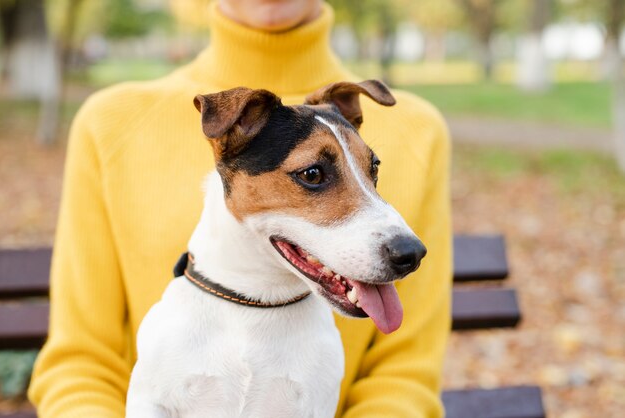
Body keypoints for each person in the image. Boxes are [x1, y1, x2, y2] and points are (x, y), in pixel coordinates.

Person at [28, 0, 452, 416]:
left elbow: (405, 377)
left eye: (370, 172)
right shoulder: (112, 123)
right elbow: (79, 362)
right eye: (313, 176)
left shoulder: (417, 129)